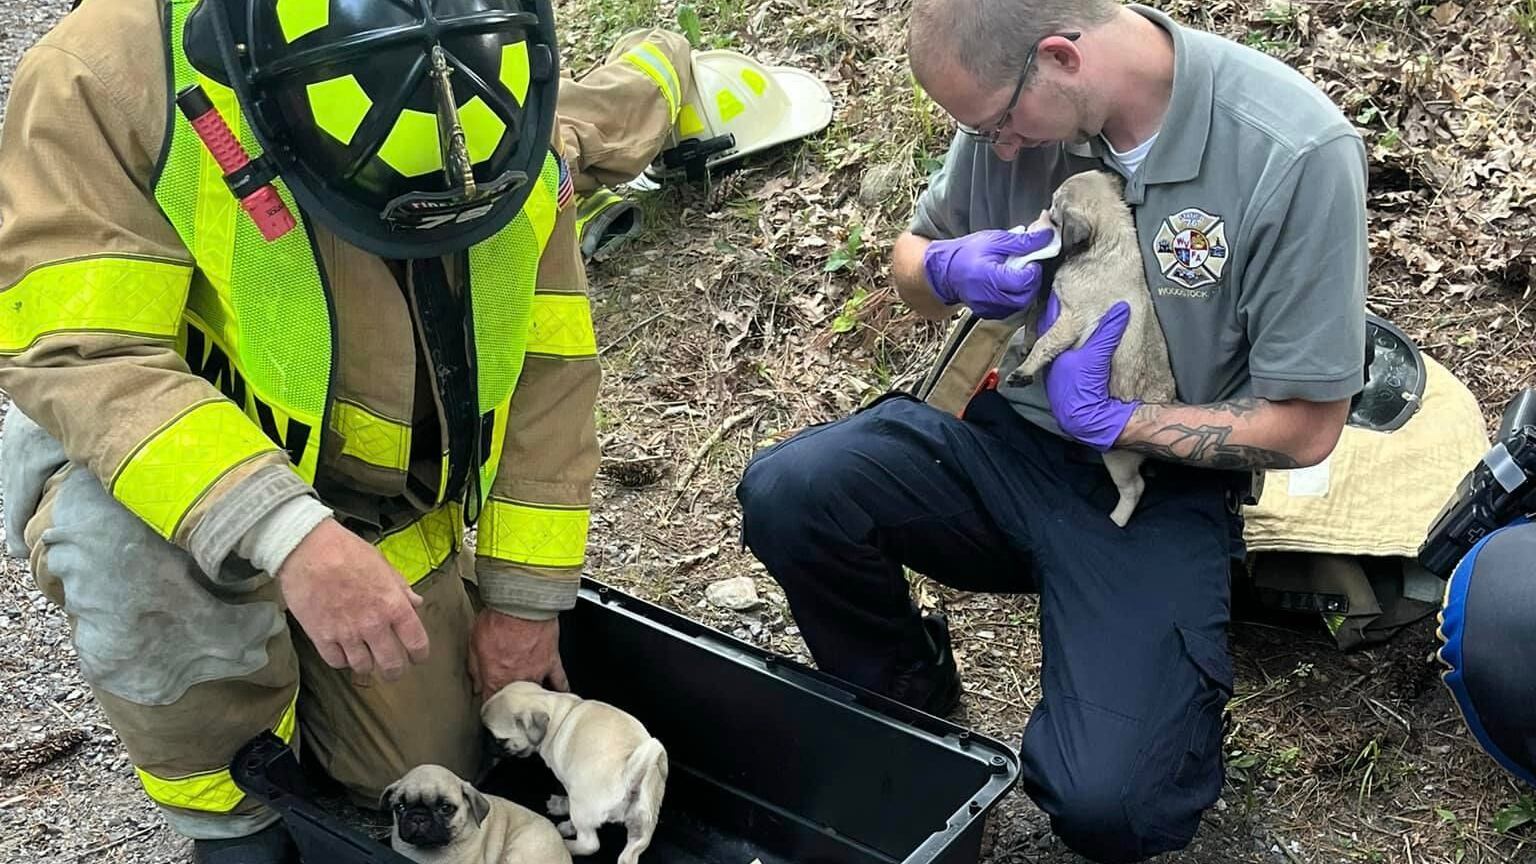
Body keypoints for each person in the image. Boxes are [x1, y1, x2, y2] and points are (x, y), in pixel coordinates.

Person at [0, 1, 694, 862]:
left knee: (427, 778)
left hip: (380, 503)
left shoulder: (496, 83)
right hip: (169, 475)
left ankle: (655, 81)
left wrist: (524, 598)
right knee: (121, 553)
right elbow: (82, 351)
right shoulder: (108, 74)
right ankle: (233, 828)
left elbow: (551, 368)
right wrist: (288, 535)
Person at [735, 0, 1368, 861]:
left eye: (997, 124)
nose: (997, 147)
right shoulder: (1013, 112)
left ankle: (1143, 702)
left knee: (1112, 806)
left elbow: (1306, 427)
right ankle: (909, 703)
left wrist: (1121, 419)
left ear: (1062, 57)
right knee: (790, 491)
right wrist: (947, 270)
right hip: (1003, 442)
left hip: (1152, 489)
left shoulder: (1290, 151)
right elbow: (911, 260)